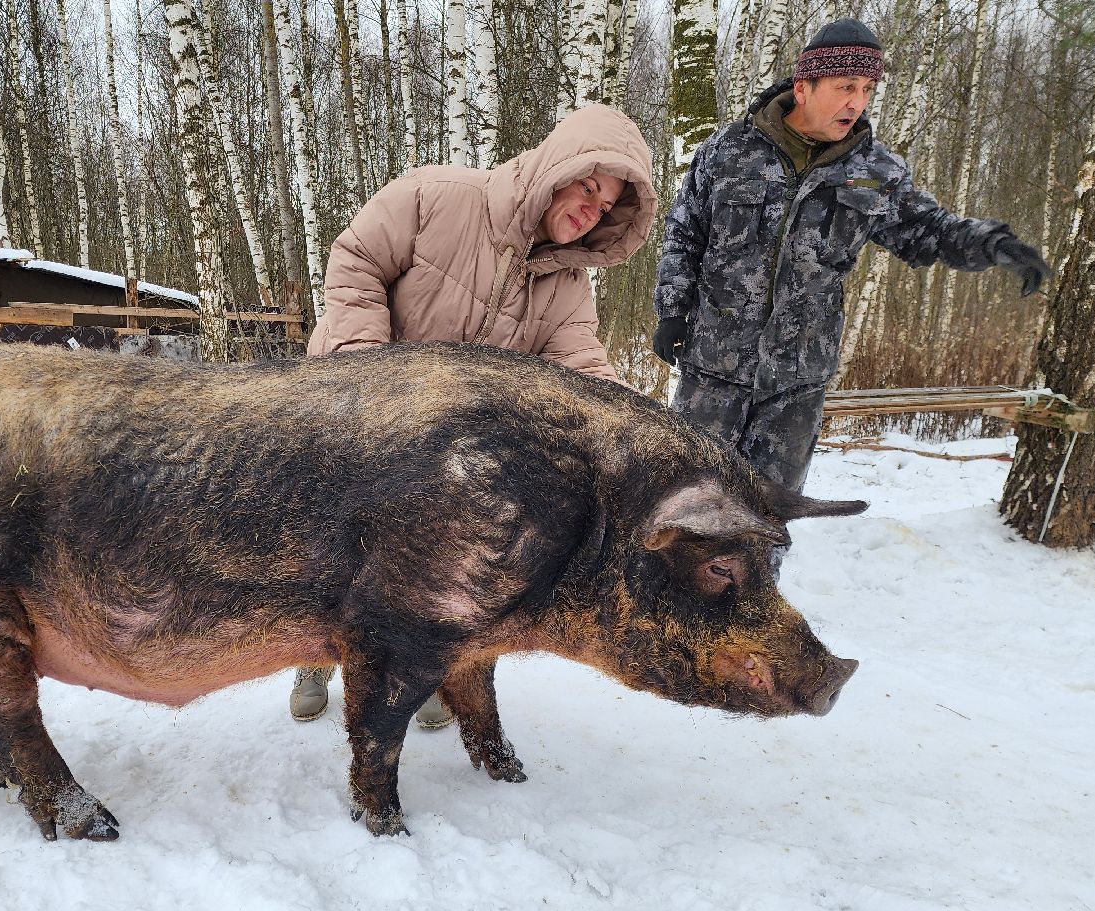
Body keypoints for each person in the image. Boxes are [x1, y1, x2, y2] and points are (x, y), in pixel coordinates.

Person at [289, 103, 659, 725]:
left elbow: (584, 369)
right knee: (335, 547)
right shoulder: (440, 197)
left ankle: (431, 670)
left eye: (605, 208)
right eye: (587, 188)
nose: (589, 210)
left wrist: (636, 438)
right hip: (351, 405)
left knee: (435, 554)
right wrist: (366, 372)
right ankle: (315, 657)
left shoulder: (567, 283)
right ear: (555, 166)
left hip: (445, 444)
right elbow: (355, 259)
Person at [653, 18, 1051, 494]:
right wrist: (673, 312)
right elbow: (685, 235)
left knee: (768, 519)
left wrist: (991, 243)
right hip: (712, 372)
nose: (857, 102)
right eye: (845, 87)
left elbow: (928, 230)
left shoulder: (875, 171)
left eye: (866, 89)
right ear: (804, 87)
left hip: (796, 385)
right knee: (685, 506)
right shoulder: (728, 152)